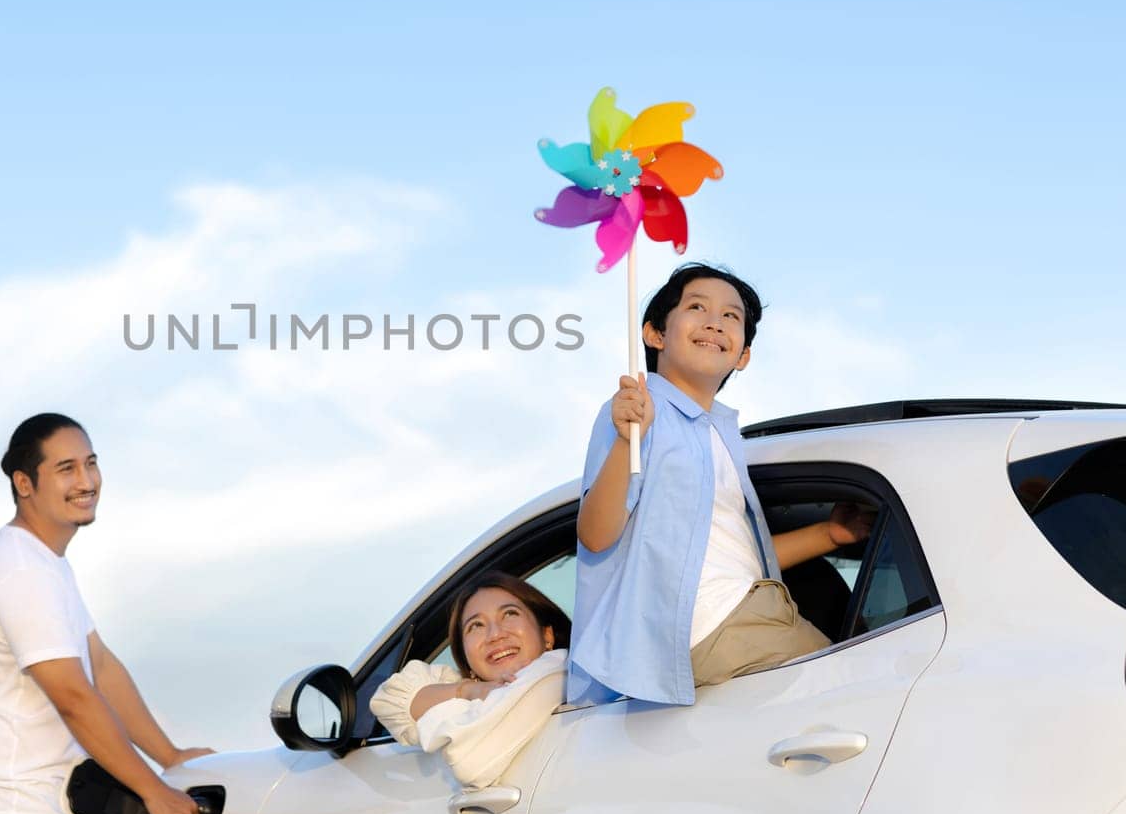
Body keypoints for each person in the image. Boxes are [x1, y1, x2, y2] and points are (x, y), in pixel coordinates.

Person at [569, 264, 874, 707]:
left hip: (745, 611)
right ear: (655, 334)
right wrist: (624, 438)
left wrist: (829, 535)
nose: (715, 321)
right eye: (696, 307)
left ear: (743, 355)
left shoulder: (722, 432)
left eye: (731, 317)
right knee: (862, 692)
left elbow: (731, 559)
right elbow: (596, 534)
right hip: (713, 623)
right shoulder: (638, 411)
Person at [0, 413, 213, 814]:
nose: (87, 481)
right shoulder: (25, 572)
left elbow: (100, 667)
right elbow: (73, 697)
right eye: (66, 469)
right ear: (24, 483)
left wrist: (170, 755)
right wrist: (153, 791)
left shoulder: (46, 563)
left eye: (91, 463)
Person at [369, 570, 571, 787]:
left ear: (547, 635)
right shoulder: (473, 693)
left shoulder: (556, 670)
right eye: (476, 626)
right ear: (465, 658)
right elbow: (390, 699)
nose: (495, 634)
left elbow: (470, 763)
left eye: (510, 614)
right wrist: (470, 691)